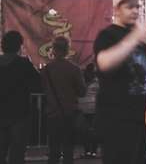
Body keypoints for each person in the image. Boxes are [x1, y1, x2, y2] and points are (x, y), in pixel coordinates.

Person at [94, 0, 146, 164]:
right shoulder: (107, 35)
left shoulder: (142, 37)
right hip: (117, 119)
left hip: (143, 118)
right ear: (116, 9)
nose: (135, 11)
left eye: (138, 6)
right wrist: (134, 38)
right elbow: (104, 63)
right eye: (129, 7)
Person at [41, 36, 86, 164]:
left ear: (53, 49)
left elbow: (43, 89)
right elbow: (82, 92)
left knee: (53, 150)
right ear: (67, 50)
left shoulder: (46, 70)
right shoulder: (74, 69)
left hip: (52, 113)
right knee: (68, 150)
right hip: (69, 114)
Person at [0, 31, 41, 164]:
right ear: (18, 45)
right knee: (17, 152)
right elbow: (38, 84)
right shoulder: (23, 63)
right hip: (19, 113)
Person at [78, 63, 99, 158]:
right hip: (90, 108)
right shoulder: (96, 81)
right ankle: (91, 151)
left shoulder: (84, 81)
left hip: (86, 108)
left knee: (86, 131)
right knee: (90, 131)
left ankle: (89, 151)